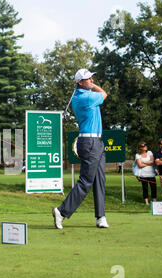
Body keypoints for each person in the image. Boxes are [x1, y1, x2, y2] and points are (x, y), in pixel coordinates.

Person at [52, 68, 109, 229]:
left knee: (99, 179)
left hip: (97, 141)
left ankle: (101, 216)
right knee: (86, 181)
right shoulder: (85, 98)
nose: (91, 80)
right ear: (79, 82)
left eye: (92, 78)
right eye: (88, 78)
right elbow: (104, 94)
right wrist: (93, 86)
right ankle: (61, 211)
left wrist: (89, 84)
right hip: (90, 142)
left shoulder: (83, 94)